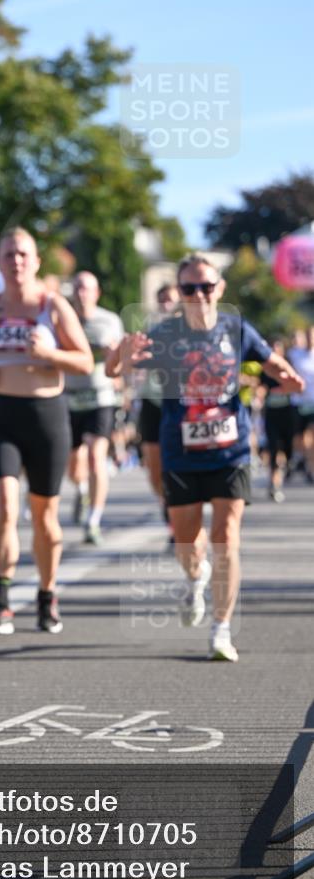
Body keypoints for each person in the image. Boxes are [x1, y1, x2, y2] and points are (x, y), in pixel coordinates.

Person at [107, 254, 303, 662]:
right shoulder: (164, 334)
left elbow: (269, 359)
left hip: (231, 449)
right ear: (179, 293)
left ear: (220, 289)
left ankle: (221, 629)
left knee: (226, 536)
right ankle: (196, 578)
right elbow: (116, 370)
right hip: (181, 453)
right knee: (187, 543)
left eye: (206, 287)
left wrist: (288, 376)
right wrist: (120, 354)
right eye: (189, 289)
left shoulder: (237, 328)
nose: (198, 295)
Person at [0, 228, 92, 635]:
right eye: (8, 255)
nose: (16, 261)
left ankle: (46, 594)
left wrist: (49, 354)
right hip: (0, 415)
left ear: (36, 261)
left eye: (23, 254)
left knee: (45, 517)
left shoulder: (53, 305)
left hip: (46, 417)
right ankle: (0, 602)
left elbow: (86, 362)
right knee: (3, 503)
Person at [64, 271, 124, 544]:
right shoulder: (62, 318)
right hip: (68, 396)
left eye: (87, 288)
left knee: (95, 457)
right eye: (77, 288)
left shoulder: (110, 321)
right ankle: (81, 489)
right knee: (74, 465)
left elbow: (121, 363)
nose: (81, 293)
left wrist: (115, 356)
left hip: (100, 397)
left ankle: (94, 519)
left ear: (96, 293)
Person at [136, 282, 180, 536]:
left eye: (170, 298)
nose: (166, 302)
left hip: (178, 404)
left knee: (176, 462)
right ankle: (166, 502)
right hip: (152, 401)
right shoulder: (150, 332)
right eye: (161, 298)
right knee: (154, 466)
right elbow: (138, 366)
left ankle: (178, 509)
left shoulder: (189, 332)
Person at [259, 339, 297, 502]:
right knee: (274, 448)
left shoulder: (289, 367)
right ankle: (274, 484)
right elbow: (261, 387)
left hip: (287, 414)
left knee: (287, 448)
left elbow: (296, 386)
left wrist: (284, 388)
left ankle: (287, 465)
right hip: (271, 414)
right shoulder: (265, 370)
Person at [287, 325, 314, 483]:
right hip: (298, 402)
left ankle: (311, 468)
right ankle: (301, 459)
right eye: (308, 336)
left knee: (312, 436)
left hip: (313, 402)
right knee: (300, 438)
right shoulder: (295, 354)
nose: (310, 339)